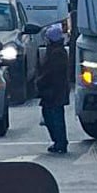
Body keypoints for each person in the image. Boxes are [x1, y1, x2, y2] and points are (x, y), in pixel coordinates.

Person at [37, 23, 70, 154]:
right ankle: (59, 142)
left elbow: (51, 73)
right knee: (52, 116)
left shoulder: (56, 53)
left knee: (54, 118)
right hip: (54, 91)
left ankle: (60, 142)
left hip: (54, 92)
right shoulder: (56, 51)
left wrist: (40, 82)